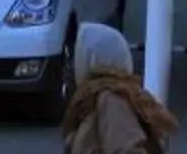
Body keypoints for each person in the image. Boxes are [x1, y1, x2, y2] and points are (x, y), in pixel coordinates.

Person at [61, 22, 176, 154]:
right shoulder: (92, 99)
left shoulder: (111, 98)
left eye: (76, 56)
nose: (69, 67)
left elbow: (129, 150)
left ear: (94, 58)